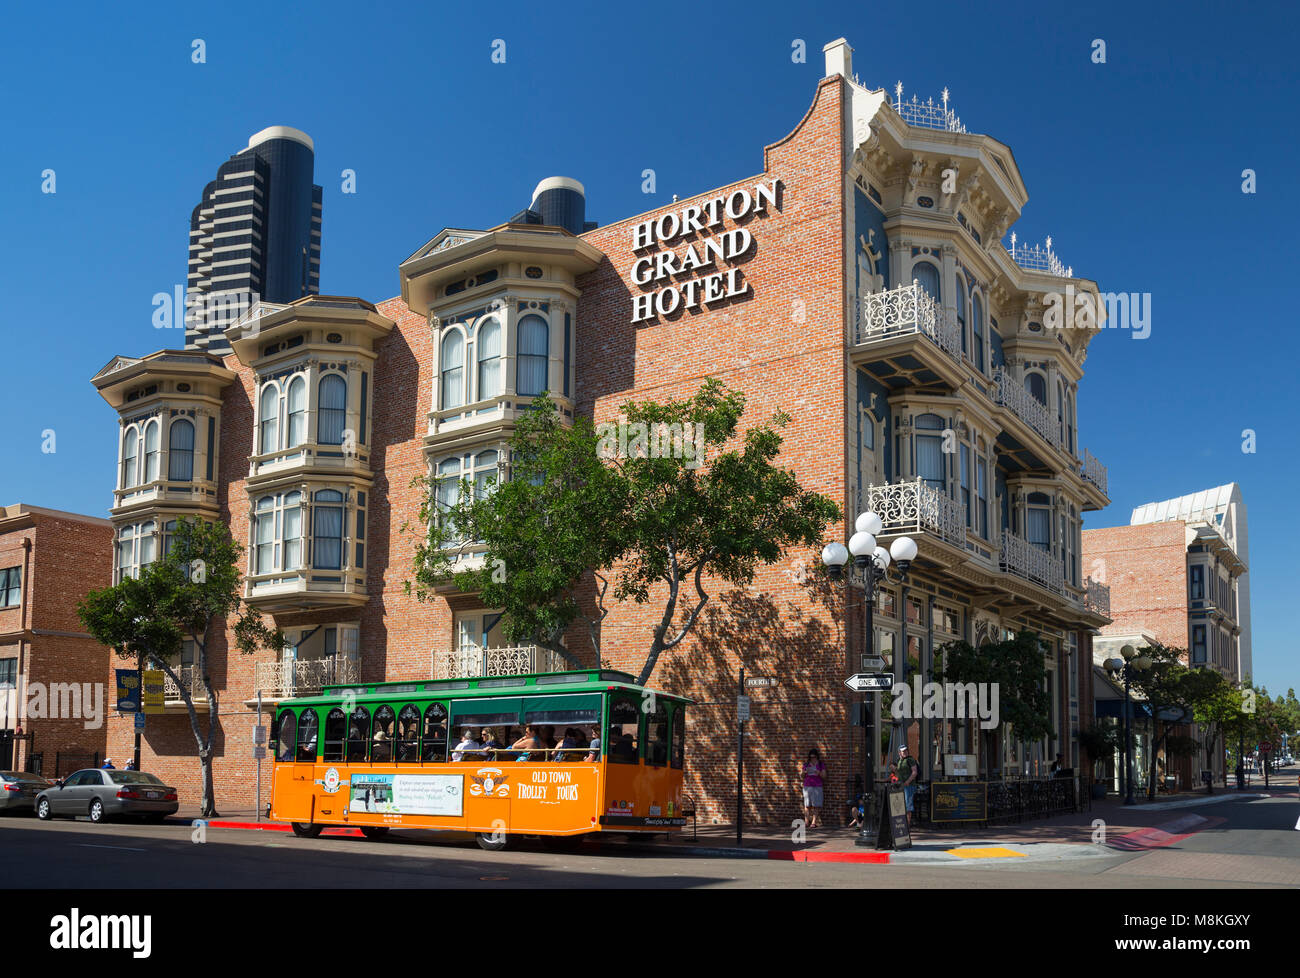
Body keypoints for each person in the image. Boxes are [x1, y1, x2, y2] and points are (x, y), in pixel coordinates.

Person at [799, 749, 826, 828]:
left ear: (817, 756)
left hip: (817, 786)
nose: (812, 759)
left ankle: (813, 822)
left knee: (816, 805)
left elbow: (824, 776)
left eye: (814, 757)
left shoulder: (821, 764)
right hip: (807, 786)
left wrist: (819, 773)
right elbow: (802, 776)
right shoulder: (806, 764)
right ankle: (806, 822)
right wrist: (804, 772)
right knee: (807, 805)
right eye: (811, 757)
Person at [896, 745, 919, 827]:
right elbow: (898, 773)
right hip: (901, 786)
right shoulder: (899, 761)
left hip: (909, 786)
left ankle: (907, 825)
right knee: (901, 805)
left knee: (908, 805)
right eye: (903, 751)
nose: (905, 752)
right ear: (899, 752)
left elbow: (914, 772)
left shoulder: (910, 760)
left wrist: (908, 781)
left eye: (906, 750)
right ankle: (902, 823)